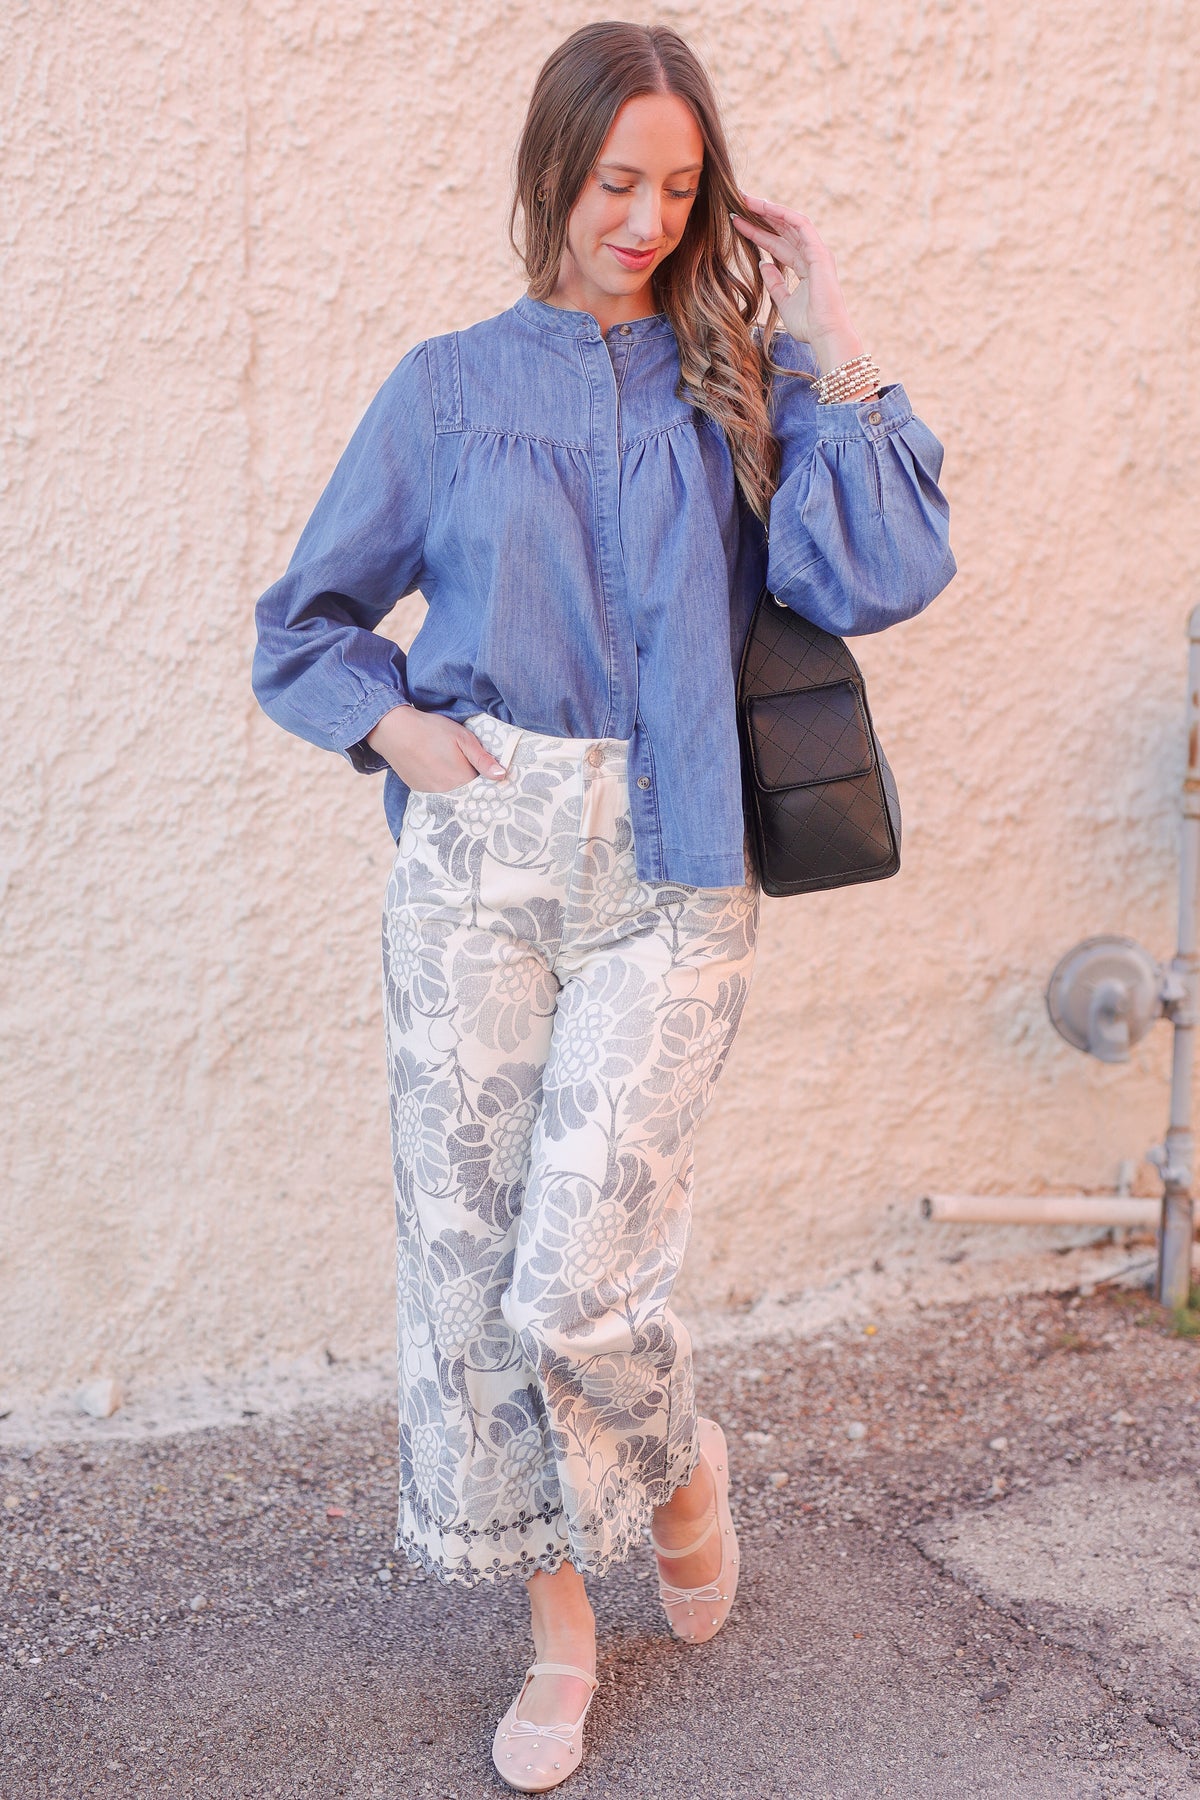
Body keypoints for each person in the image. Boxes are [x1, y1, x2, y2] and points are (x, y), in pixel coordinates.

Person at [252, 19, 954, 1793]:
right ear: (553, 173)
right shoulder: (444, 389)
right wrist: (399, 728)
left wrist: (824, 324)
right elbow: (304, 625)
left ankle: (685, 1461)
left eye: (680, 189)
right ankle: (561, 1632)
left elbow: (876, 572)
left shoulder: (740, 384)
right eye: (617, 182)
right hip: (478, 870)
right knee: (476, 1275)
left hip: (676, 868)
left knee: (576, 1285)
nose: (646, 220)